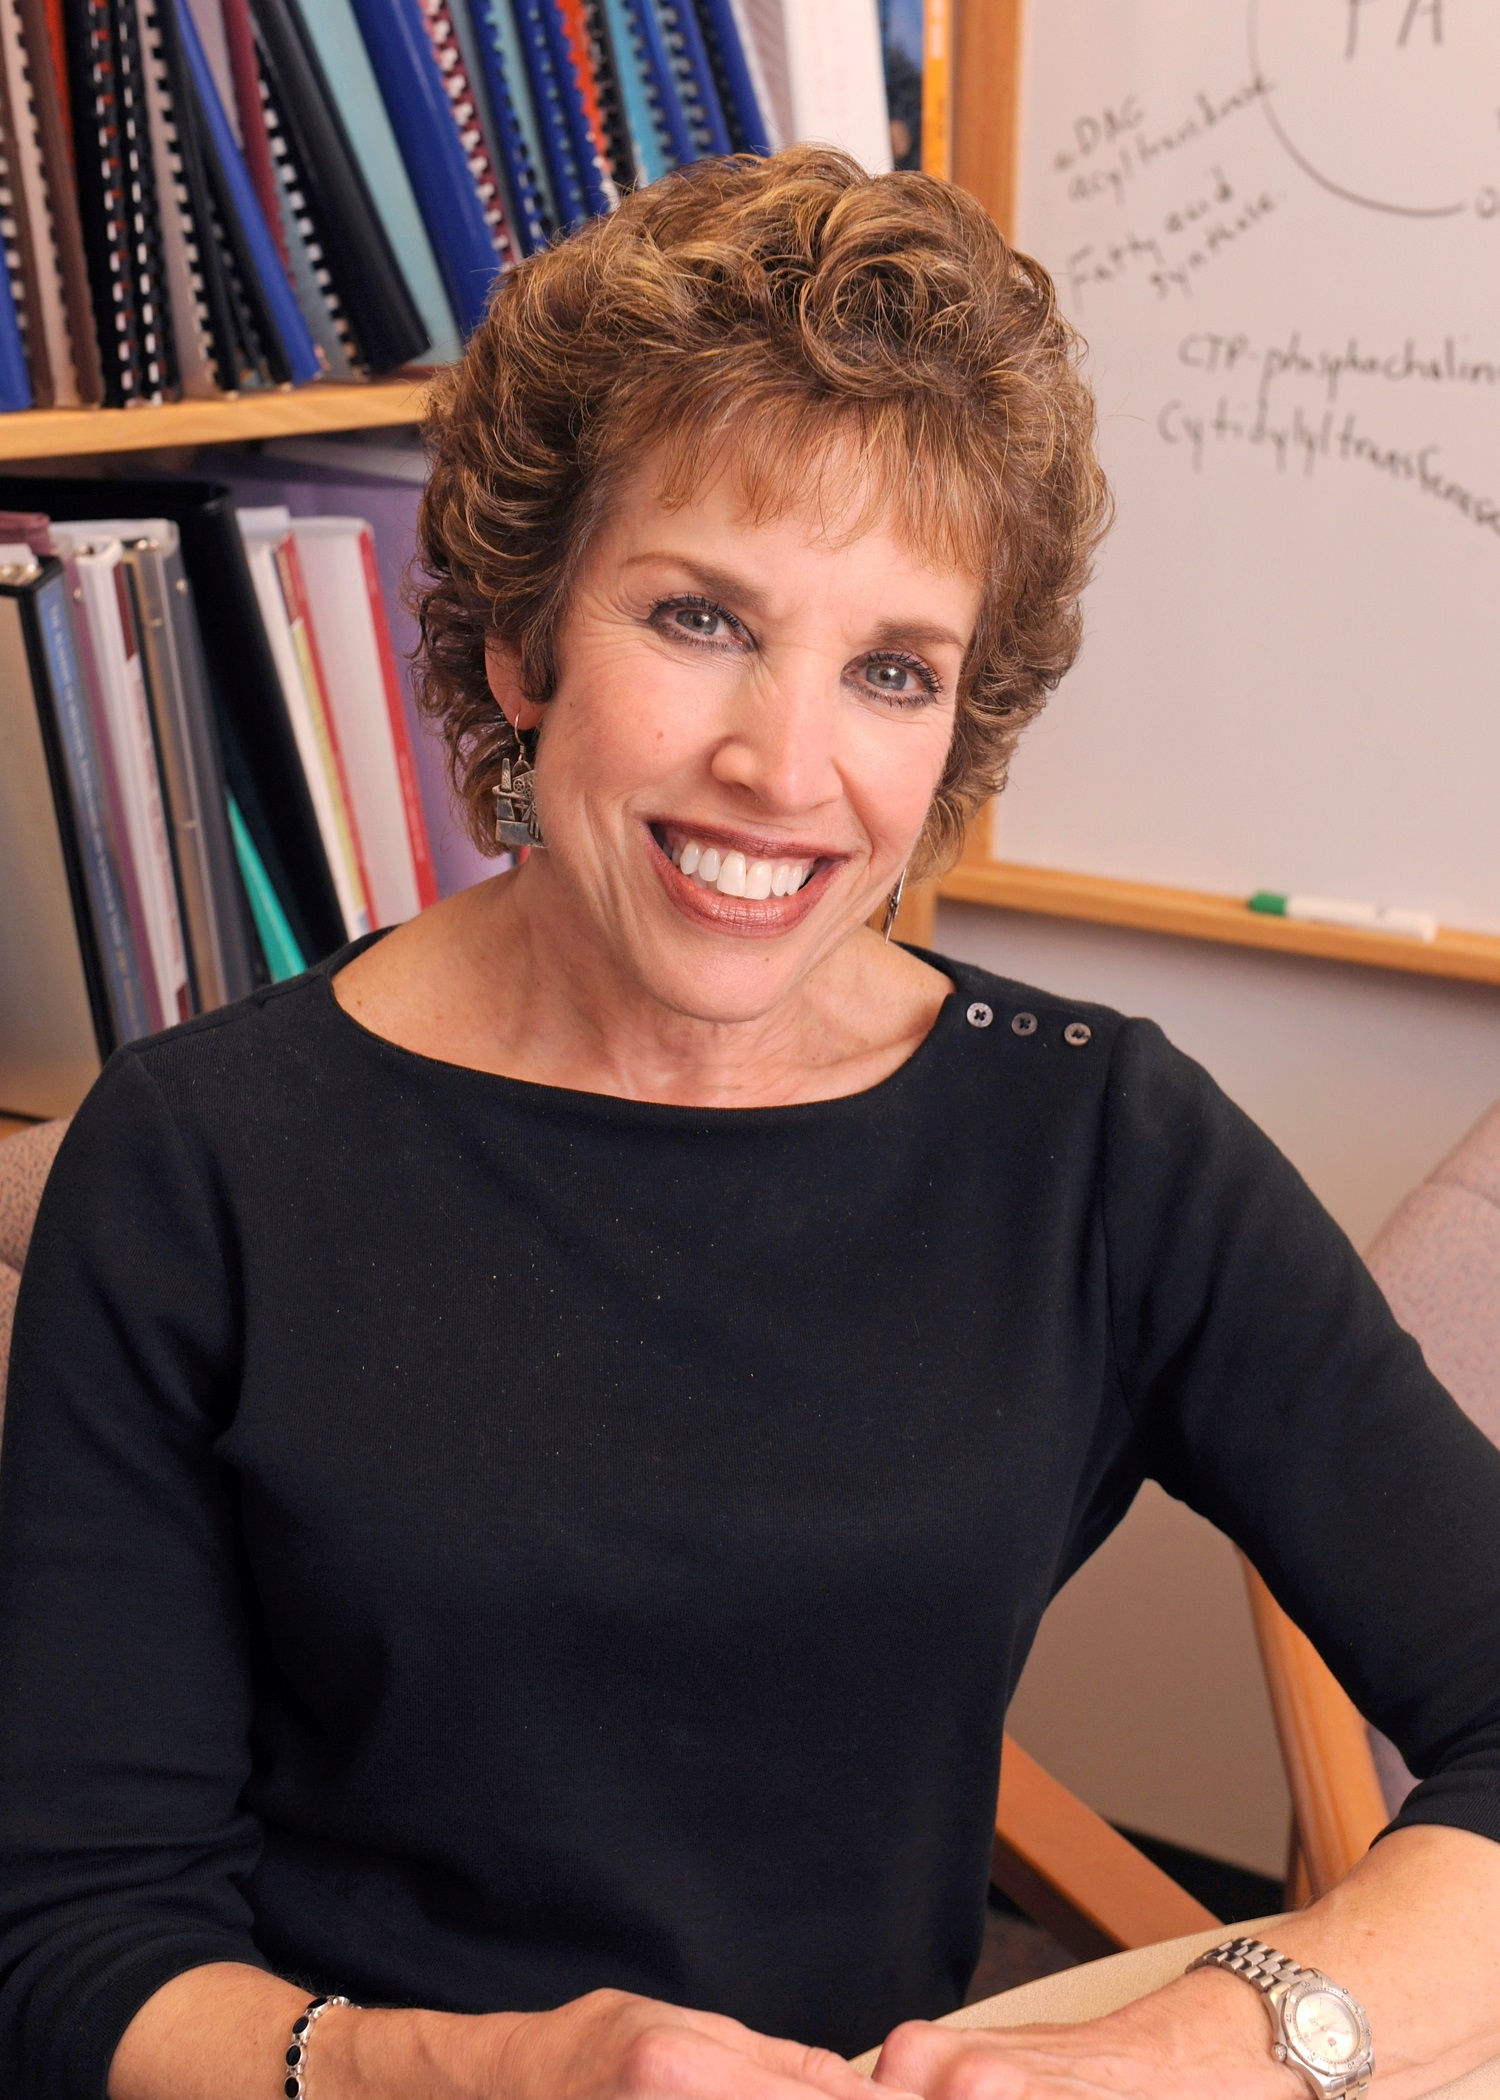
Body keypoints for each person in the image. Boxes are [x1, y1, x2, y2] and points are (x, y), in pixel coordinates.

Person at [0, 148, 1497, 2100]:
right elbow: (68, 1956)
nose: (786, 768)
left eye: (892, 671)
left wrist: (1187, 2049)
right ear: (523, 642)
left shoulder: (1094, 1143)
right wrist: (496, 2073)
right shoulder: (198, 1160)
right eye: (700, 617)